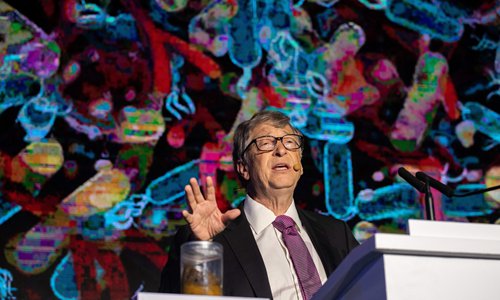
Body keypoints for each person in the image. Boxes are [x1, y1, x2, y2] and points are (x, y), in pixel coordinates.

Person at [158, 110, 359, 299]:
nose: (281, 150)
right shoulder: (210, 239)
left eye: (290, 143)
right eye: (265, 143)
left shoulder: (336, 234)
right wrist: (202, 248)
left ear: (300, 166)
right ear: (244, 168)